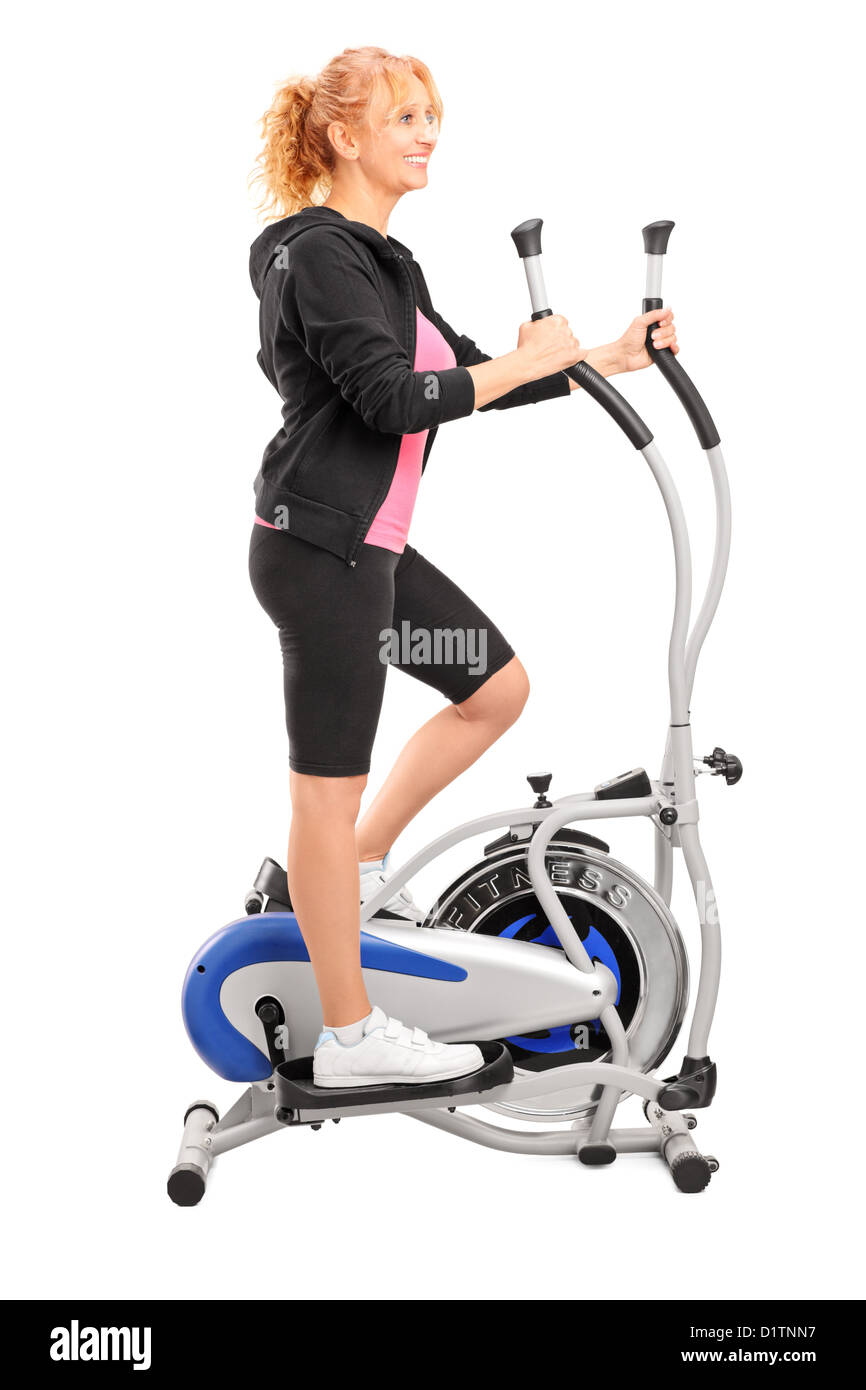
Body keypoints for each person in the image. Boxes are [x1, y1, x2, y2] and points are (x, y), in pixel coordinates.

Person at [247, 46, 678, 1088]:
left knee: (492, 688)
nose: (427, 133)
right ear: (345, 137)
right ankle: (350, 1035)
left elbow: (470, 374)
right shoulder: (315, 254)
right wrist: (515, 365)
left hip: (373, 554)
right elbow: (392, 399)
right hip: (322, 554)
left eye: (431, 116)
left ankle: (350, 873)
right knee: (324, 791)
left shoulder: (385, 263)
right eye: (406, 118)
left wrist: (603, 359)